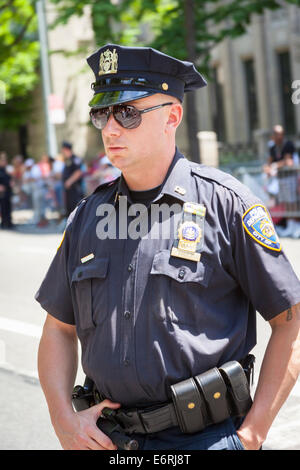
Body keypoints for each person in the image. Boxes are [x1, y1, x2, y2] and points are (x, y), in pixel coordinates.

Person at [36, 44, 300, 451]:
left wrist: (253, 433)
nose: (110, 128)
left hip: (205, 438)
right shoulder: (87, 215)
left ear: (172, 116)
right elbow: (57, 328)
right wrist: (62, 419)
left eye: (127, 113)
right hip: (108, 439)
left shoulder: (226, 204)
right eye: (101, 114)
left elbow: (290, 322)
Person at [61, 141, 84, 217]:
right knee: (69, 207)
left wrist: (69, 182)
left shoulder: (75, 159)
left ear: (66, 149)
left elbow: (78, 172)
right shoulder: (68, 160)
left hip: (75, 188)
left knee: (75, 206)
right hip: (69, 189)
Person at [0, 152, 13, 229]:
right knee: (3, 207)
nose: (4, 162)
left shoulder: (6, 169)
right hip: (2, 192)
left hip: (8, 190)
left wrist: (11, 182)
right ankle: (4, 222)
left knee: (8, 206)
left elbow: (9, 178)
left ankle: (9, 222)